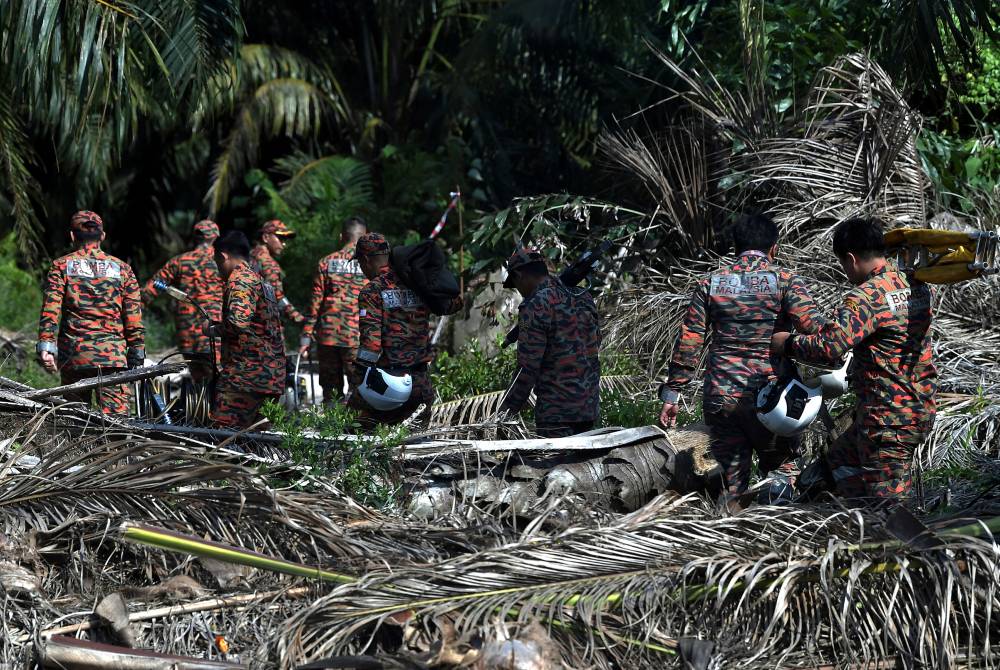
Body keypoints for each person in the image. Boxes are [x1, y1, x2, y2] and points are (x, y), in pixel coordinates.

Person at [659, 212, 825, 506]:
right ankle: (778, 527)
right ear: (774, 248)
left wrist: (673, 393)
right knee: (782, 474)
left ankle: (728, 527)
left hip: (722, 397)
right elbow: (815, 329)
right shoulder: (785, 281)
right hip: (774, 400)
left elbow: (690, 340)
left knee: (730, 482)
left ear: (735, 247)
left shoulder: (711, 282)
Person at [770, 218, 937, 501]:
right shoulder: (917, 285)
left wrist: (787, 344)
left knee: (888, 504)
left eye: (843, 264)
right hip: (916, 407)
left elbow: (830, 347)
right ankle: (857, 510)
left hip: (888, 418)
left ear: (851, 258)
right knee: (839, 459)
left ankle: (882, 523)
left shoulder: (866, 297)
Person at [36, 210, 144, 415]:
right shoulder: (123, 269)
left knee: (75, 419)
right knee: (116, 424)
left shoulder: (61, 266)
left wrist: (46, 346)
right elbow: (133, 316)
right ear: (102, 236)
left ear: (72, 236)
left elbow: (51, 308)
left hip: (74, 356)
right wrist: (137, 349)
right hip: (112, 357)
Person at [352, 232, 462, 427]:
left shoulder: (372, 291)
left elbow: (371, 345)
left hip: (389, 384)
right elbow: (454, 304)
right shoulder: (416, 282)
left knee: (356, 431)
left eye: (359, 263)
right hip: (421, 384)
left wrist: (359, 379)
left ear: (366, 259)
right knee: (416, 440)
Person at [498, 248, 601, 438]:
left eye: (516, 284)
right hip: (588, 408)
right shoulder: (584, 297)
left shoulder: (535, 305)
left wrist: (506, 411)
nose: (519, 291)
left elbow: (527, 368)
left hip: (556, 413)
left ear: (519, 275)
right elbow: (595, 345)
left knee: (557, 459)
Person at [210, 230, 285, 429]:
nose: (218, 268)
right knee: (257, 440)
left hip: (245, 378)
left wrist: (213, 330)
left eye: (217, 261)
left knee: (223, 436)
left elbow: (238, 322)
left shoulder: (240, 280)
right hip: (270, 377)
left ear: (223, 256)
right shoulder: (260, 280)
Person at [141, 219, 223, 382]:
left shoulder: (180, 261)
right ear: (215, 236)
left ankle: (201, 399)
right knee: (219, 376)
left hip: (187, 330)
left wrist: (134, 309)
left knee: (198, 378)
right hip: (213, 329)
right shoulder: (222, 260)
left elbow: (153, 287)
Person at [298, 217, 368, 403]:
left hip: (328, 336)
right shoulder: (371, 263)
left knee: (331, 391)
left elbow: (315, 304)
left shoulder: (326, 262)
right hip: (358, 337)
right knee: (360, 388)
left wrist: (306, 336)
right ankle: (357, 418)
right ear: (365, 237)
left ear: (341, 236)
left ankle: (332, 418)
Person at [251, 219, 305, 332]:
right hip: (264, 326)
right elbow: (276, 295)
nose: (284, 244)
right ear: (265, 237)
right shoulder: (268, 262)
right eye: (280, 238)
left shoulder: (250, 255)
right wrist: (297, 317)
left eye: (285, 240)